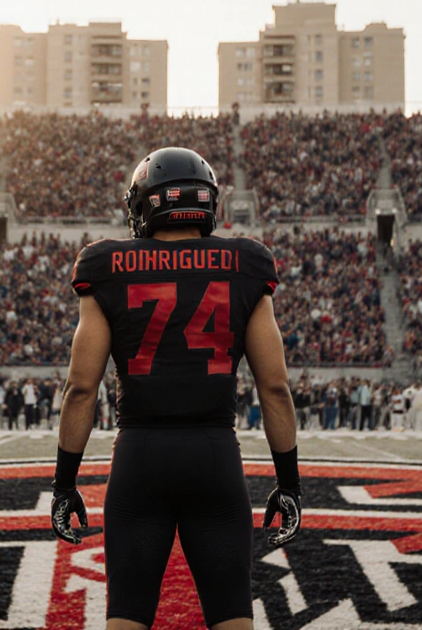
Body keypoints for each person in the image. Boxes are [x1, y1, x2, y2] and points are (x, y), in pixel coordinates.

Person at [50, 147, 301, 630]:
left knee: (127, 617)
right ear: (206, 204)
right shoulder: (244, 262)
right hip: (214, 456)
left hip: (140, 455)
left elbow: (81, 388)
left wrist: (64, 484)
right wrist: (288, 483)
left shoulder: (107, 264)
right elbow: (275, 388)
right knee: (232, 618)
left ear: (145, 203)